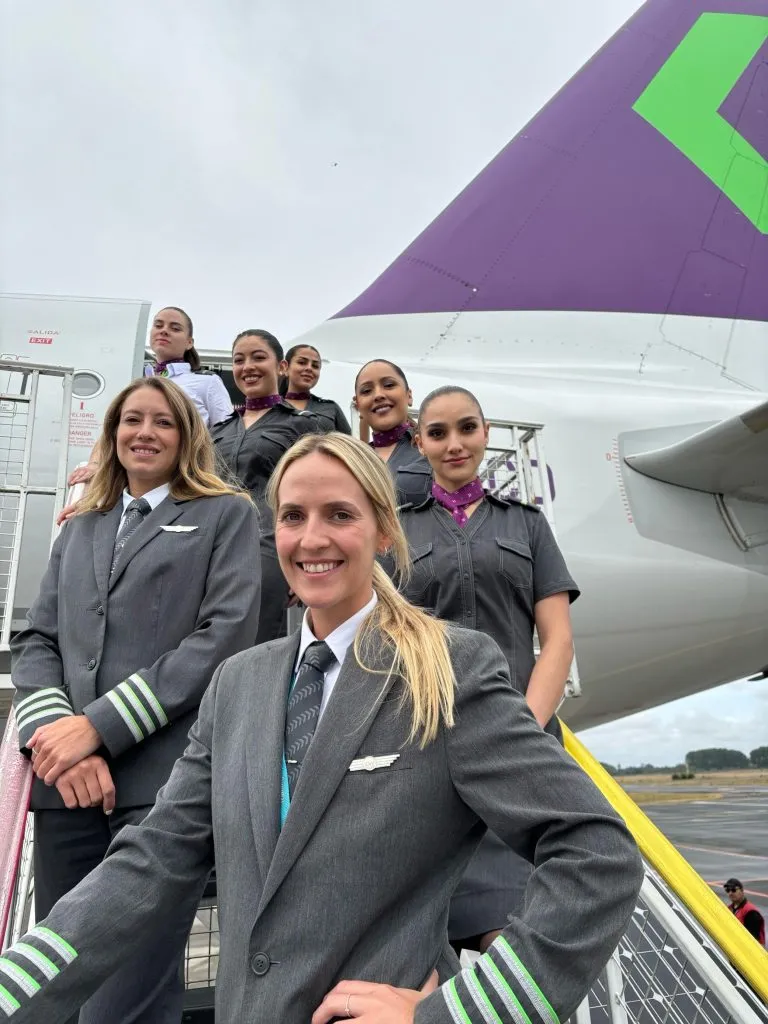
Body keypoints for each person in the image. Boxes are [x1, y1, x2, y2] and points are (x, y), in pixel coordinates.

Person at [0, 431, 643, 1024]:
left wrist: (460, 1013)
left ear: (384, 531)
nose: (312, 540)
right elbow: (151, 860)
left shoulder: (447, 669)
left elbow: (597, 852)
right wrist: (13, 985)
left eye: (340, 515)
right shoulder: (238, 684)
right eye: (292, 517)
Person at [10, 376, 261, 1024]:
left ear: (186, 437)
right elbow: (37, 639)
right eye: (131, 420)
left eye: (162, 422)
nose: (144, 432)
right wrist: (60, 737)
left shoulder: (225, 514)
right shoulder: (81, 528)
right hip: (62, 782)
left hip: (159, 787)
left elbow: (222, 638)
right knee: (54, 990)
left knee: (127, 1000)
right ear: (113, 434)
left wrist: (99, 729)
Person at [387, 385, 579, 955]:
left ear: (485, 433)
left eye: (466, 428)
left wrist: (520, 729)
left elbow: (558, 640)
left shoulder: (527, 525)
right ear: (419, 442)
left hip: (522, 746)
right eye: (438, 433)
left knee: (520, 942)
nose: (454, 444)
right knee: (427, 947)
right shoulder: (394, 532)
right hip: (431, 747)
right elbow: (388, 642)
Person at [211, 329, 318, 642]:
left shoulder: (301, 425)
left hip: (270, 550)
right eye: (239, 360)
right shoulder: (218, 431)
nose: (248, 366)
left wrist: (303, 562)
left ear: (282, 367)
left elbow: (314, 495)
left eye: (259, 357)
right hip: (215, 550)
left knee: (263, 643)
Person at [67, 305, 233, 487]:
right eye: (158, 325)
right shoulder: (138, 384)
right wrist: (94, 465)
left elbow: (227, 437)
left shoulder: (207, 383)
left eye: (175, 328)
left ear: (189, 342)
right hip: (137, 484)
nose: (164, 331)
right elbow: (112, 431)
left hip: (185, 482)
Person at [353, 358, 431, 506]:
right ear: (358, 406)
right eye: (366, 391)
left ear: (409, 395)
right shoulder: (351, 461)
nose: (378, 395)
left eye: (389, 385)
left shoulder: (432, 449)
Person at [280, 342, 352, 433]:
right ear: (285, 368)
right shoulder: (271, 408)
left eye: (315, 366)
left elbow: (350, 445)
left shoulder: (330, 408)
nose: (309, 368)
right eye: (302, 362)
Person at [724, 879, 765, 946]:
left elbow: (753, 940)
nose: (730, 893)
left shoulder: (751, 912)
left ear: (742, 890)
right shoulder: (729, 909)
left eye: (733, 890)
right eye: (728, 890)